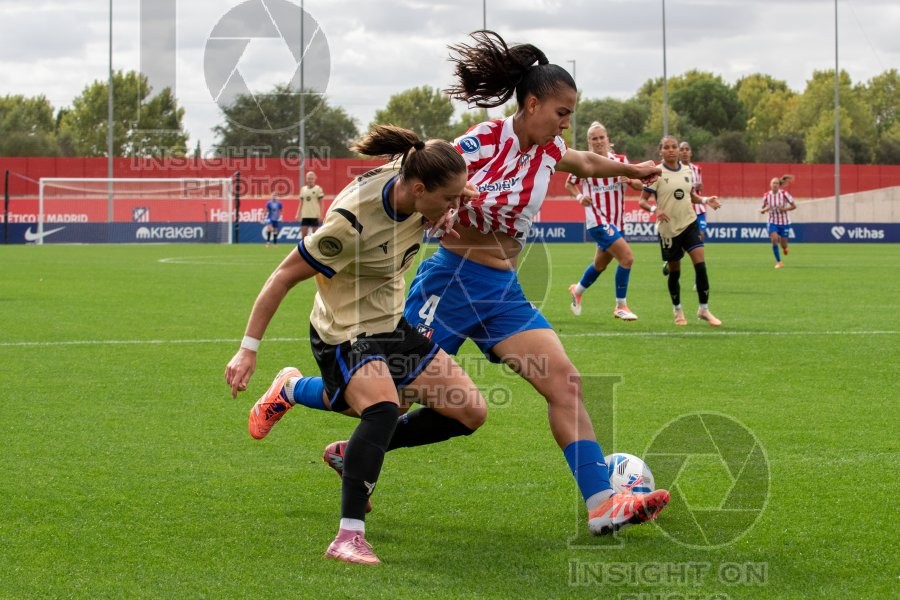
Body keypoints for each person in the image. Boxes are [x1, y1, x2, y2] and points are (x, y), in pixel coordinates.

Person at [398, 30, 670, 536]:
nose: (565, 124)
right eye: (562, 112)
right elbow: (427, 177)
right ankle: (295, 390)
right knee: (388, 395)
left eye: (571, 114)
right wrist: (445, 205)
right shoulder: (481, 141)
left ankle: (601, 505)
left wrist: (632, 169)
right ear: (532, 103)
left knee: (564, 382)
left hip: (502, 292)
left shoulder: (548, 151)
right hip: (449, 283)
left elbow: (587, 162)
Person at [225, 125, 486, 565]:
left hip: (389, 322)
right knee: (382, 408)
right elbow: (283, 276)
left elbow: (449, 189)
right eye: (447, 198)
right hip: (343, 330)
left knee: (467, 410)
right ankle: (347, 537)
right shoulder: (350, 222)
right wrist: (248, 348)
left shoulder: (418, 176)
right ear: (418, 189)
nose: (454, 206)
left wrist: (450, 205)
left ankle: (313, 414)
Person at [638, 135, 723, 327]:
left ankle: (704, 309)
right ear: (660, 151)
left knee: (700, 265)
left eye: (674, 147)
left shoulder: (687, 170)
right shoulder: (656, 172)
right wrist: (654, 209)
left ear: (678, 149)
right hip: (669, 230)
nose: (671, 150)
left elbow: (689, 195)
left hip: (689, 223)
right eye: (666, 147)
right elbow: (642, 200)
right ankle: (677, 310)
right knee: (675, 272)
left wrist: (704, 200)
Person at [564, 122, 644, 320]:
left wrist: (631, 181)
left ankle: (578, 290)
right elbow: (570, 184)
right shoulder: (583, 162)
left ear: (607, 139)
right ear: (589, 142)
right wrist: (579, 197)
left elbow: (640, 184)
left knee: (600, 265)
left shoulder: (620, 161)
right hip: (597, 220)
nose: (598, 141)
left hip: (617, 221)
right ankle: (620, 306)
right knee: (627, 257)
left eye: (601, 137)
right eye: (594, 138)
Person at [760, 175, 797, 269]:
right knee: (774, 239)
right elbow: (763, 207)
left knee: (783, 244)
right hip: (772, 221)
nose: (775, 185)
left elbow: (794, 206)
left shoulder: (784, 194)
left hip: (784, 222)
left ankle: (784, 248)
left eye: (776, 183)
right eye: (773, 183)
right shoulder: (766, 195)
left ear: (779, 185)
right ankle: (779, 262)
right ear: (770, 185)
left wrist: (784, 209)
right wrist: (764, 210)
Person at [297, 170, 325, 238]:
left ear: (315, 179)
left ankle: (314, 249)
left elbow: (321, 203)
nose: (310, 180)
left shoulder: (318, 189)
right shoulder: (303, 189)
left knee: (315, 236)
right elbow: (301, 202)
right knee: (303, 236)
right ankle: (304, 248)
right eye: (309, 178)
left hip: (314, 215)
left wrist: (321, 214)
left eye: (312, 178)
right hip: (305, 215)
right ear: (306, 179)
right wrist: (298, 214)